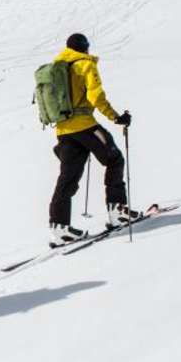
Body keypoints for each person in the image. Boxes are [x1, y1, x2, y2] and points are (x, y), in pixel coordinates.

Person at [48, 33, 137, 247]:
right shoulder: (85, 64)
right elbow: (95, 96)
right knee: (114, 159)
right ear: (84, 47)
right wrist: (116, 117)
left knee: (68, 177)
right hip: (84, 125)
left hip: (62, 130)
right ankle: (118, 212)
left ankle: (60, 228)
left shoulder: (57, 67)